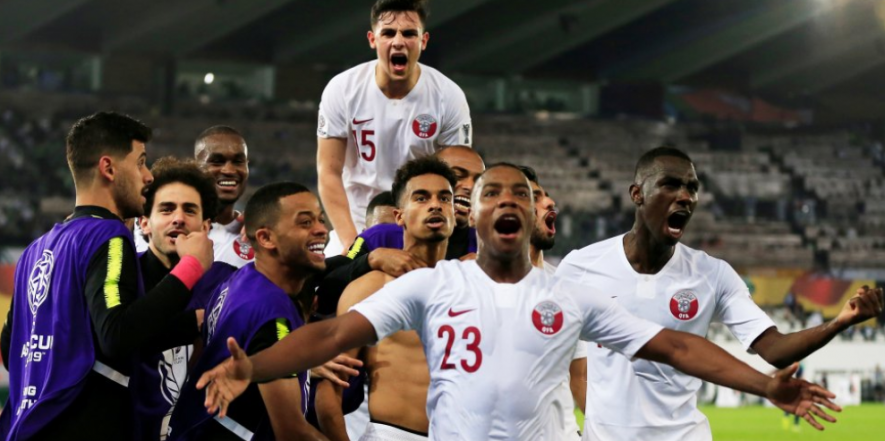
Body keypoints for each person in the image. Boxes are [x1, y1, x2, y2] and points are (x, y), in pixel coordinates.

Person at [197, 164, 840, 441]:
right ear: (471, 212)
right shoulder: (432, 286)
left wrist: (766, 386)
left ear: (536, 216)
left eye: (520, 195)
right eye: (491, 192)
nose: (507, 200)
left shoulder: (572, 296)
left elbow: (674, 345)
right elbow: (330, 338)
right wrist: (254, 366)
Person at [556, 146, 883, 441]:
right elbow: (569, 361)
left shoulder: (712, 275)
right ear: (637, 194)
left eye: (693, 188)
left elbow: (776, 349)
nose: (685, 196)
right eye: (671, 184)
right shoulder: (582, 266)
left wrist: (840, 322)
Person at [0, 112, 214, 440]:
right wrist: (191, 267)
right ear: (109, 168)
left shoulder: (36, 249)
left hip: (23, 424)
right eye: (141, 162)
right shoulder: (108, 235)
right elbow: (117, 335)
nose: (147, 177)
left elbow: (9, 349)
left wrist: (191, 324)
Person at [169, 182, 330, 440]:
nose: (322, 230)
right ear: (265, 238)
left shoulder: (242, 277)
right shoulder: (272, 313)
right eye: (305, 223)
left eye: (320, 220)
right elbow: (292, 432)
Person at [316, 157, 456, 441]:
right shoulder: (370, 287)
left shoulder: (471, 285)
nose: (435, 205)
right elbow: (330, 389)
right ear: (399, 215)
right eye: (421, 197)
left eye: (445, 198)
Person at [317, 0, 472, 256]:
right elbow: (329, 171)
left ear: (423, 41)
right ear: (372, 39)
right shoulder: (342, 89)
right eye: (388, 33)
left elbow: (458, 177)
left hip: (420, 228)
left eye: (409, 33)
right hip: (357, 223)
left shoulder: (449, 96)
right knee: (331, 290)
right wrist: (351, 244)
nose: (398, 41)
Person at [134, 157, 237, 440]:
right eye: (166, 209)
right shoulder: (126, 276)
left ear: (205, 227)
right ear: (144, 223)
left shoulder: (229, 283)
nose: (178, 218)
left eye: (189, 210)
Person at [519, 165, 585, 439]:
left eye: (546, 195)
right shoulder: (469, 280)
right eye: (535, 197)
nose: (550, 202)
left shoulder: (566, 288)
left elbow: (579, 377)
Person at [137, 126, 253, 268]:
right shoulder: (147, 226)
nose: (229, 170)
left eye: (238, 161)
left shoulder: (254, 235)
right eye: (217, 161)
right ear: (196, 165)